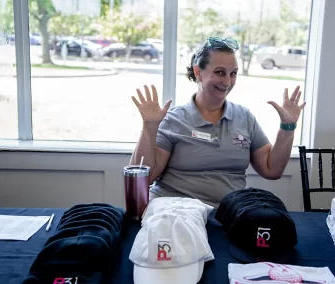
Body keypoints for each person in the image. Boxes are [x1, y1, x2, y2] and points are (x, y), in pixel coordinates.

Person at [130, 37, 306, 208]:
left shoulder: (244, 118)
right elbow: (142, 177)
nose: (227, 82)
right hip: (175, 212)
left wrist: (287, 127)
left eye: (233, 74)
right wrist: (149, 127)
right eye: (219, 72)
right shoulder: (174, 120)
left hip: (228, 217)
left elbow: (272, 170)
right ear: (198, 72)